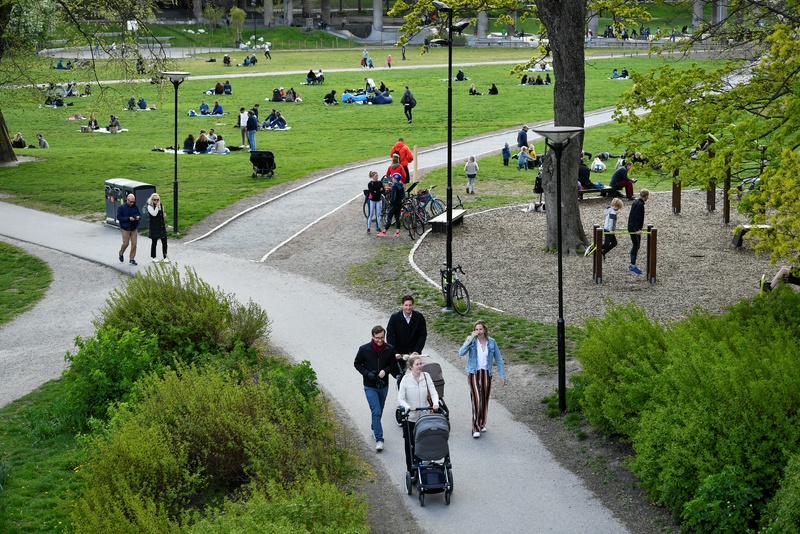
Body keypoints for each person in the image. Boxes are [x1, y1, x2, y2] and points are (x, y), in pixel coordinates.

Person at [459, 320, 506, 438]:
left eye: (480, 329)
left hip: (486, 373)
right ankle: (475, 427)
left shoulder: (492, 343)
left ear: (484, 330)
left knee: (484, 399)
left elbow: (499, 360)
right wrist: (470, 339)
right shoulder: (472, 341)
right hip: (474, 373)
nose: (478, 332)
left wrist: (502, 376)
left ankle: (481, 422)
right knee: (476, 399)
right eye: (476, 329)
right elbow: (461, 352)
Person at [354, 325, 396, 451]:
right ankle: (379, 439)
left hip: (383, 385)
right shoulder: (364, 349)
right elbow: (357, 363)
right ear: (372, 336)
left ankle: (374, 425)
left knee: (380, 410)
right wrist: (367, 373)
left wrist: (386, 371)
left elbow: (393, 364)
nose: (380, 340)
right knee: (376, 411)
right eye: (377, 338)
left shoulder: (389, 349)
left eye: (382, 338)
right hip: (370, 385)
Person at [397, 354, 440, 474]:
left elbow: (433, 392)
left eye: (421, 364)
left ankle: (422, 467)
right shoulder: (405, 380)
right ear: (411, 367)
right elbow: (400, 399)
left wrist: (435, 403)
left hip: (424, 417)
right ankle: (411, 469)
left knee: (423, 443)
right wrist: (408, 407)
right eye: (417, 364)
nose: (420, 366)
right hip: (411, 418)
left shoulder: (426, 377)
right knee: (410, 445)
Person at [387, 295, 428, 375]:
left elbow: (422, 335)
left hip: (413, 353)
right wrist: (394, 352)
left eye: (410, 305)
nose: (408, 308)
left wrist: (417, 350)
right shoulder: (395, 318)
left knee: (415, 374)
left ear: (413, 305)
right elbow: (390, 336)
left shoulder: (419, 317)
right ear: (402, 305)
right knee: (400, 376)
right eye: (406, 305)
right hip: (399, 353)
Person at [627, 189, 649, 275]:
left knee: (637, 245)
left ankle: (633, 263)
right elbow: (637, 218)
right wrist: (637, 229)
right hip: (634, 228)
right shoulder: (640, 205)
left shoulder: (636, 202)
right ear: (646, 196)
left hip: (633, 226)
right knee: (636, 245)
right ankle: (632, 265)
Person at [116, 194, 141, 266]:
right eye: (131, 202)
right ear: (127, 200)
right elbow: (119, 217)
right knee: (126, 243)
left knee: (134, 244)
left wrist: (138, 217)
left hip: (133, 227)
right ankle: (121, 253)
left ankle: (132, 258)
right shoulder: (121, 208)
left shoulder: (135, 207)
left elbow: (139, 214)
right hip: (125, 228)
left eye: (133, 202)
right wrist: (128, 218)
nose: (132, 203)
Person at [146, 193, 170, 263]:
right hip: (154, 226)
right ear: (152, 200)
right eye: (154, 200)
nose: (156, 201)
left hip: (161, 225)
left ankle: (165, 256)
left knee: (164, 241)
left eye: (157, 200)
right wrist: (156, 207)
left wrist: (163, 214)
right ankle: (153, 256)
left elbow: (161, 213)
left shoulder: (161, 206)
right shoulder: (150, 206)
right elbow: (154, 213)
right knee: (154, 242)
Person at [365, 171, 384, 235]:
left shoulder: (380, 182)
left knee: (378, 214)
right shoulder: (370, 184)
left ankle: (378, 227)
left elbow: (383, 190)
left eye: (377, 176)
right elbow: (372, 193)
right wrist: (379, 191)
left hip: (378, 200)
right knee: (371, 214)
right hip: (372, 200)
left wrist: (377, 191)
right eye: (376, 176)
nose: (377, 177)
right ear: (372, 177)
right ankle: (368, 228)